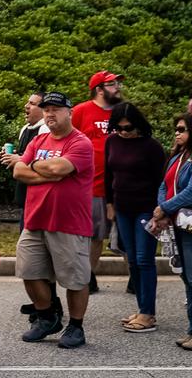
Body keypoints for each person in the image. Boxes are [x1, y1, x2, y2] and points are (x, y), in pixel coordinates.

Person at [9, 91, 93, 350]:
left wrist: (34, 165)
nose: (50, 113)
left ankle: (76, 326)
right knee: (28, 271)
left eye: (56, 109)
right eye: (46, 109)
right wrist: (46, 170)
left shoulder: (80, 143)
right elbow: (18, 171)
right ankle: (47, 317)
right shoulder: (39, 140)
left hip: (69, 222)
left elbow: (58, 168)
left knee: (75, 279)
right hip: (35, 219)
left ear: (70, 112)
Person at [104, 102, 166, 333]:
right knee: (131, 260)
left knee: (144, 259)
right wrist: (109, 204)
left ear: (138, 124)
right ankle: (142, 309)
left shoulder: (151, 147)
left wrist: (161, 211)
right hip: (122, 208)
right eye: (118, 128)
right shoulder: (112, 141)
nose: (123, 132)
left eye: (128, 127)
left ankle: (148, 314)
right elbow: (108, 175)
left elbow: (162, 181)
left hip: (146, 209)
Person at [0, 92, 62, 323]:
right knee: (33, 257)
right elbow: (26, 161)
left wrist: (20, 161)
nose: (27, 106)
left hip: (41, 200)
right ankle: (42, 302)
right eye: (27, 102)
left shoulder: (45, 131)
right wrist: (15, 159)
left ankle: (50, 305)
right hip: (27, 198)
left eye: (33, 104)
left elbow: (43, 165)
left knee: (41, 257)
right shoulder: (26, 129)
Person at [71, 70, 124, 293]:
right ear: (99, 89)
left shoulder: (123, 111)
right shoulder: (81, 111)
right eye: (112, 84)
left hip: (122, 185)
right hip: (91, 185)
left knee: (126, 234)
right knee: (94, 234)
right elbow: (68, 139)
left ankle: (136, 278)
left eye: (118, 84)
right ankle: (89, 277)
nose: (117, 88)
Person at [152, 111, 192, 349]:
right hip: (179, 224)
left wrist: (165, 207)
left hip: (189, 225)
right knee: (187, 278)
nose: (177, 133)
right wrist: (163, 209)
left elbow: (190, 192)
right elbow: (163, 184)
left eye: (182, 129)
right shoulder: (178, 157)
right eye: (176, 129)